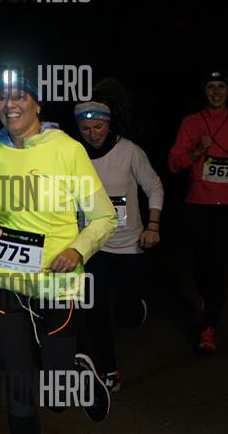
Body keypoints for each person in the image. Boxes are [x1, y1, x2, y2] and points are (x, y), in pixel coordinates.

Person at [0, 68, 118, 433]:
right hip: (1, 281)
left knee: (57, 397)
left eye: (20, 96)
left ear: (37, 105)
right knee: (18, 382)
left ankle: (75, 372)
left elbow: (104, 217)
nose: (9, 104)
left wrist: (77, 251)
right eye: (3, 97)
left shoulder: (67, 150)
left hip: (55, 283)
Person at [73, 78, 164, 393]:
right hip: (92, 247)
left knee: (126, 315)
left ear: (109, 123)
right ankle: (109, 371)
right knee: (94, 310)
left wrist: (153, 226)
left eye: (98, 126)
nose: (92, 134)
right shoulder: (74, 156)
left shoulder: (129, 151)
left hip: (128, 247)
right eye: (85, 129)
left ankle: (135, 308)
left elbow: (154, 186)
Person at [168, 70, 228, 353]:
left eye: (221, 87)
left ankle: (208, 328)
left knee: (218, 264)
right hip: (198, 204)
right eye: (211, 87)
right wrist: (195, 152)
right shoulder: (191, 122)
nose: (216, 92)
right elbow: (173, 163)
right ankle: (207, 295)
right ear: (204, 92)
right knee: (200, 265)